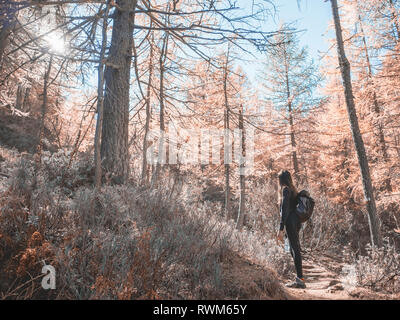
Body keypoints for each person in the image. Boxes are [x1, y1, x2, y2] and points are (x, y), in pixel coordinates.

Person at [276, 170, 306, 289]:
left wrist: (281, 227)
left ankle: (300, 280)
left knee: (295, 249)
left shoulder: (285, 190)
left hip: (290, 222)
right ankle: (300, 278)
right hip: (296, 222)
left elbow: (285, 209)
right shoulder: (293, 189)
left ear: (281, 180)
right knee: (294, 249)